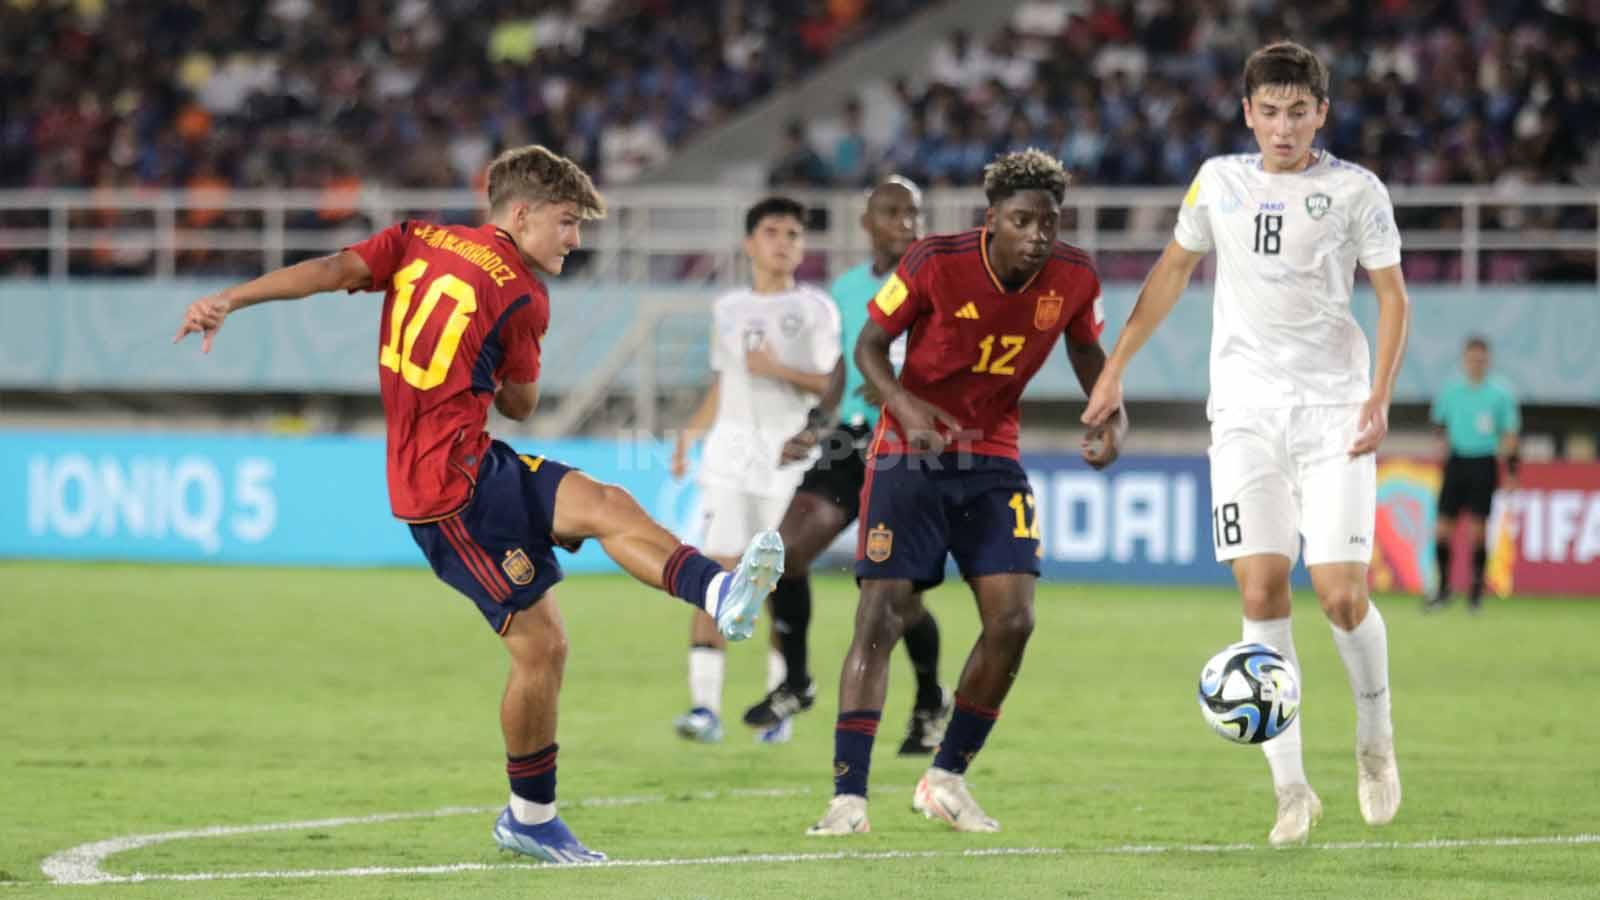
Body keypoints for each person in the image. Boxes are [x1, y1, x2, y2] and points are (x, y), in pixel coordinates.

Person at [174, 145, 784, 864]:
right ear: (521, 215)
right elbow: (521, 403)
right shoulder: (523, 295)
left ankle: (719, 591)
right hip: (448, 495)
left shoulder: (416, 238)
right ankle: (530, 819)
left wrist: (232, 299)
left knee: (605, 503)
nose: (575, 239)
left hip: (473, 462)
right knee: (542, 647)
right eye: (566, 221)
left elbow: (333, 270)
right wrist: (503, 357)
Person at [1081, 41, 1410, 846]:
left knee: (1340, 594)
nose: (1283, 127)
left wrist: (1378, 395)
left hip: (1334, 413)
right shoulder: (1217, 181)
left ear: (1321, 113)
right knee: (1261, 592)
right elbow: (1170, 271)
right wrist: (1115, 367)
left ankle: (1375, 740)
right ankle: (1291, 790)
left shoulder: (1356, 190)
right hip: (1243, 416)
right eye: (1270, 111)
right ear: (1247, 114)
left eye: (1298, 111)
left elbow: (1393, 297)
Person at [807, 149, 1124, 836]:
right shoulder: (934, 261)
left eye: (1048, 222)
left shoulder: (1074, 276)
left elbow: (1086, 350)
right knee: (880, 617)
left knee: (1014, 621)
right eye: (1021, 221)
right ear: (992, 220)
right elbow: (868, 347)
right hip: (908, 455)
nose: (1037, 235)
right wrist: (906, 407)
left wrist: (1110, 412)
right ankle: (848, 799)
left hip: (992, 458)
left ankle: (945, 778)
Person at [740, 177, 952, 755]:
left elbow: (956, 360)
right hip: (852, 442)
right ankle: (796, 682)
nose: (906, 223)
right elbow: (842, 363)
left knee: (898, 595)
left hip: (910, 448)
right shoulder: (849, 286)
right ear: (867, 223)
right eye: (893, 213)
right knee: (783, 552)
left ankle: (931, 699)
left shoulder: (940, 282)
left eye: (914, 213)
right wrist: (814, 423)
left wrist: (908, 393)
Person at [669, 197, 840, 744]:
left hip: (790, 460)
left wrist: (778, 369)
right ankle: (704, 708)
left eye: (793, 233)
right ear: (749, 243)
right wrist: (691, 432)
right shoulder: (728, 307)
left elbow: (833, 383)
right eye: (772, 231)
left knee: (777, 579)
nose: (783, 242)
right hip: (729, 456)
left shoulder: (816, 308)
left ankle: (778, 704)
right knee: (716, 573)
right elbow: (726, 380)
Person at [1427, 335, 1520, 613]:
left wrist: (1512, 471)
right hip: (1457, 462)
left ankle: (1476, 592)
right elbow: (1439, 423)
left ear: (1488, 360)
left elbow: (1510, 434)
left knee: (1478, 531)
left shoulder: (1501, 393)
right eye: (1472, 359)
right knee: (1442, 529)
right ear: (1464, 360)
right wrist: (1442, 447)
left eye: (1481, 359)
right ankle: (1443, 589)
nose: (1476, 364)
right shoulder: (1451, 390)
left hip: (1484, 462)